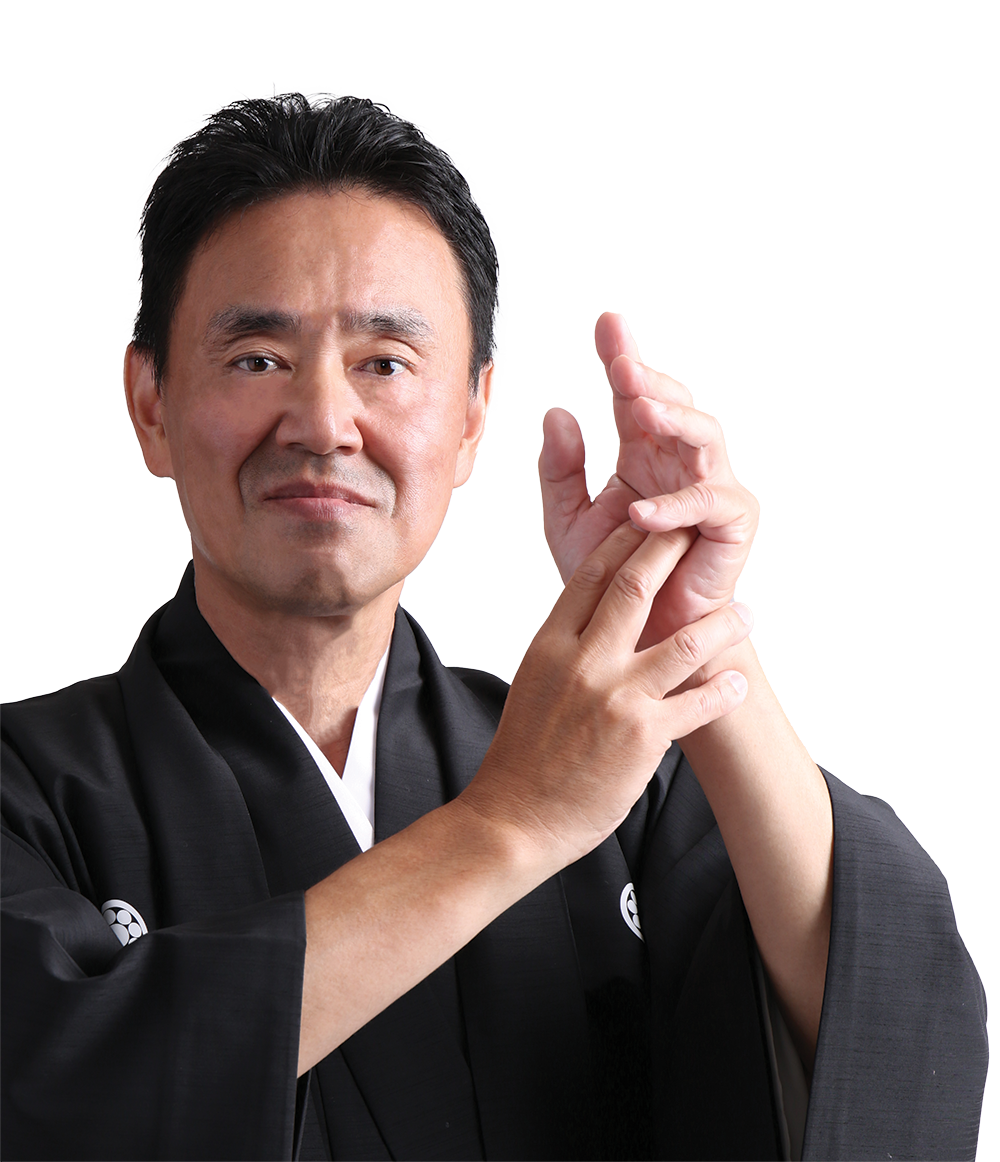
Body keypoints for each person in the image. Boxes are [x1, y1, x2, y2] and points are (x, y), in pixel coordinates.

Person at [0, 92, 986, 1162]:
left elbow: (889, 1026)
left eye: (384, 362)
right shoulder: (28, 787)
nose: (324, 423)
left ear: (472, 415)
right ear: (149, 401)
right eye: (257, 359)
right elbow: (54, 1086)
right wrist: (509, 822)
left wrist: (692, 626)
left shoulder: (605, 769)